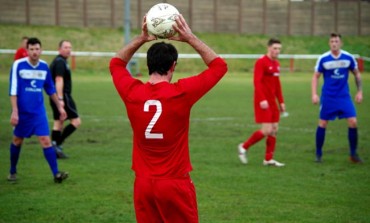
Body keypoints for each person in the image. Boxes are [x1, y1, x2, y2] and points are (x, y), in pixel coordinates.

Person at [109, 15, 227, 223]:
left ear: (148, 65)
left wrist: (141, 38)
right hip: (174, 185)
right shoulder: (182, 93)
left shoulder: (132, 92)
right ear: (173, 66)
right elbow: (219, 66)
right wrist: (190, 38)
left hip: (143, 185)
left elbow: (116, 64)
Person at [8, 37, 69, 183]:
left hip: (38, 112)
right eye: (31, 49)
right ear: (27, 50)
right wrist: (15, 111)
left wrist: (60, 107)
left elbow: (50, 88)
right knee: (17, 140)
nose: (34, 52)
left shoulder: (44, 66)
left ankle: (56, 174)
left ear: (41, 50)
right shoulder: (18, 65)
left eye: (37, 49)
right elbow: (13, 90)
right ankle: (12, 171)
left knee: (45, 140)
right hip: (22, 112)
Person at [312, 33, 363, 163]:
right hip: (328, 96)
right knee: (323, 123)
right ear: (329, 43)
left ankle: (353, 154)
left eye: (336, 41)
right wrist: (314, 94)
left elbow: (357, 74)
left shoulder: (348, 58)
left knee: (353, 122)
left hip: (344, 96)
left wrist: (359, 92)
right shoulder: (323, 59)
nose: (334, 43)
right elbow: (316, 76)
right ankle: (318, 154)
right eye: (332, 41)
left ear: (341, 43)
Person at [238, 38, 286, 167]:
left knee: (274, 129)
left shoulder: (276, 64)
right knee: (266, 130)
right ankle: (243, 147)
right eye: (275, 48)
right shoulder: (261, 62)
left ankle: (268, 159)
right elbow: (257, 82)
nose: (277, 51)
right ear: (269, 48)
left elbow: (277, 85)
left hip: (273, 102)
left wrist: (281, 101)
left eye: (279, 49)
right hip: (263, 101)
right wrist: (262, 99)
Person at [49, 40, 81, 159]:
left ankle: (55, 147)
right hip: (63, 96)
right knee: (76, 121)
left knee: (59, 122)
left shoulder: (60, 61)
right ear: (59, 49)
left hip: (55, 96)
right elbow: (58, 80)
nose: (68, 49)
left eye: (70, 47)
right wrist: (61, 98)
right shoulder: (60, 62)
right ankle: (58, 145)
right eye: (66, 47)